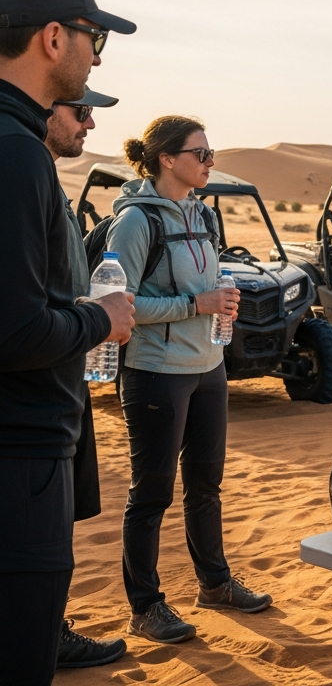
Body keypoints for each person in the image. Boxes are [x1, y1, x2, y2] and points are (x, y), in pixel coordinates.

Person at [0, 0, 137, 686]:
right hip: (18, 461)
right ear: (54, 38)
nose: (95, 57)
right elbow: (14, 331)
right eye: (93, 39)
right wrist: (99, 317)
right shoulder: (16, 152)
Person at [106, 116, 271, 645]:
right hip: (155, 372)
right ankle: (146, 606)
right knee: (151, 494)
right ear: (166, 160)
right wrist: (195, 304)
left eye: (210, 151)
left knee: (206, 486)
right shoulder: (135, 223)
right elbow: (119, 304)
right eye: (200, 153)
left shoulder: (203, 215)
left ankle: (215, 584)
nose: (209, 161)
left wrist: (219, 301)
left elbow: (208, 283)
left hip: (208, 367)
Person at [43, 88, 130, 669]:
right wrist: (97, 316)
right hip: (39, 388)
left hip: (65, 376)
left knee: (57, 533)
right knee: (39, 544)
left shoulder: (46, 180)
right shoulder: (21, 171)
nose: (90, 123)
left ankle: (50, 628)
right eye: (79, 111)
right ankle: (43, 636)